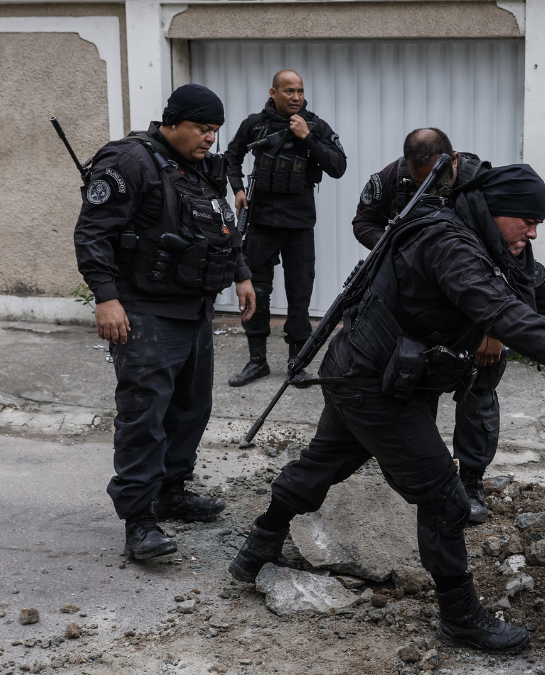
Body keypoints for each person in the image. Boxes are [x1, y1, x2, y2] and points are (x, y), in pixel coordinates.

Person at [228, 164, 545, 655]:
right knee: (444, 499)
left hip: (371, 375)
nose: (534, 230)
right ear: (494, 210)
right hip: (372, 385)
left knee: (325, 461)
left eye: (537, 221)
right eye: (526, 219)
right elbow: (499, 311)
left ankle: (257, 547)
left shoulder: (493, 244)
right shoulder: (448, 243)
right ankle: (460, 618)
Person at [74, 84, 256, 560]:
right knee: (144, 414)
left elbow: (222, 227)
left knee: (192, 408)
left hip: (193, 308)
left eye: (215, 130)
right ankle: (139, 520)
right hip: (144, 309)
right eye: (201, 128)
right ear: (172, 121)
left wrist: (241, 275)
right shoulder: (129, 161)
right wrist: (106, 299)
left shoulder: (202, 167)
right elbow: (93, 233)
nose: (209, 138)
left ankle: (172, 492)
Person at [354, 128, 502, 524]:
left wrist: (496, 330)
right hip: (417, 313)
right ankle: (431, 479)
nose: (427, 191)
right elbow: (363, 221)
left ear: (452, 162)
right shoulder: (392, 177)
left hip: (475, 315)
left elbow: (513, 264)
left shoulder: (484, 187)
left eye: (434, 182)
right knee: (412, 391)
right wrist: (394, 241)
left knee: (477, 395)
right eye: (418, 183)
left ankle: (471, 480)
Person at [225, 69, 347, 387]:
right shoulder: (255, 124)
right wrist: (237, 189)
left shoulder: (315, 126)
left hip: (299, 226)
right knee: (258, 293)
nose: (296, 97)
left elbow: (338, 166)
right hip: (261, 224)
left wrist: (308, 136)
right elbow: (231, 157)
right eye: (289, 91)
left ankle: (297, 363)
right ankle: (257, 362)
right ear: (273, 92)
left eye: (300, 91)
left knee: (299, 295)